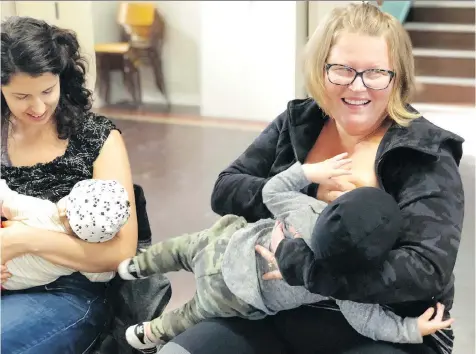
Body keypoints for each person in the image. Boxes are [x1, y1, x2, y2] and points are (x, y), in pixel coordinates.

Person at [158, 3, 464, 354]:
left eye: (376, 72)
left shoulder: (425, 151)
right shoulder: (297, 123)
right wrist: (303, 189)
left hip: (385, 324)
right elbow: (226, 188)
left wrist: (305, 267)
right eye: (341, 69)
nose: (358, 86)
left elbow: (426, 269)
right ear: (321, 70)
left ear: (398, 77)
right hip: (271, 308)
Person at [119, 156, 453, 353]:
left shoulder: (309, 214)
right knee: (187, 304)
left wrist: (308, 172)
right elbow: (375, 323)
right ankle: (147, 325)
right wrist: (410, 328)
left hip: (228, 265)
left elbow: (273, 190)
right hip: (233, 281)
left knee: (178, 261)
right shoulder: (346, 284)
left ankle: (137, 274)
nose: (357, 85)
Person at [0, 16, 138, 353]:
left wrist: (22, 241)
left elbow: (121, 251)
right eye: (21, 96)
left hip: (70, 290)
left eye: (47, 91)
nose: (37, 107)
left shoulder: (96, 137)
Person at [0, 178, 131, 290]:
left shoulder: (40, 210)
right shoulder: (82, 257)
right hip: (7, 282)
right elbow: (103, 275)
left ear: (65, 207)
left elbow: (5, 198)